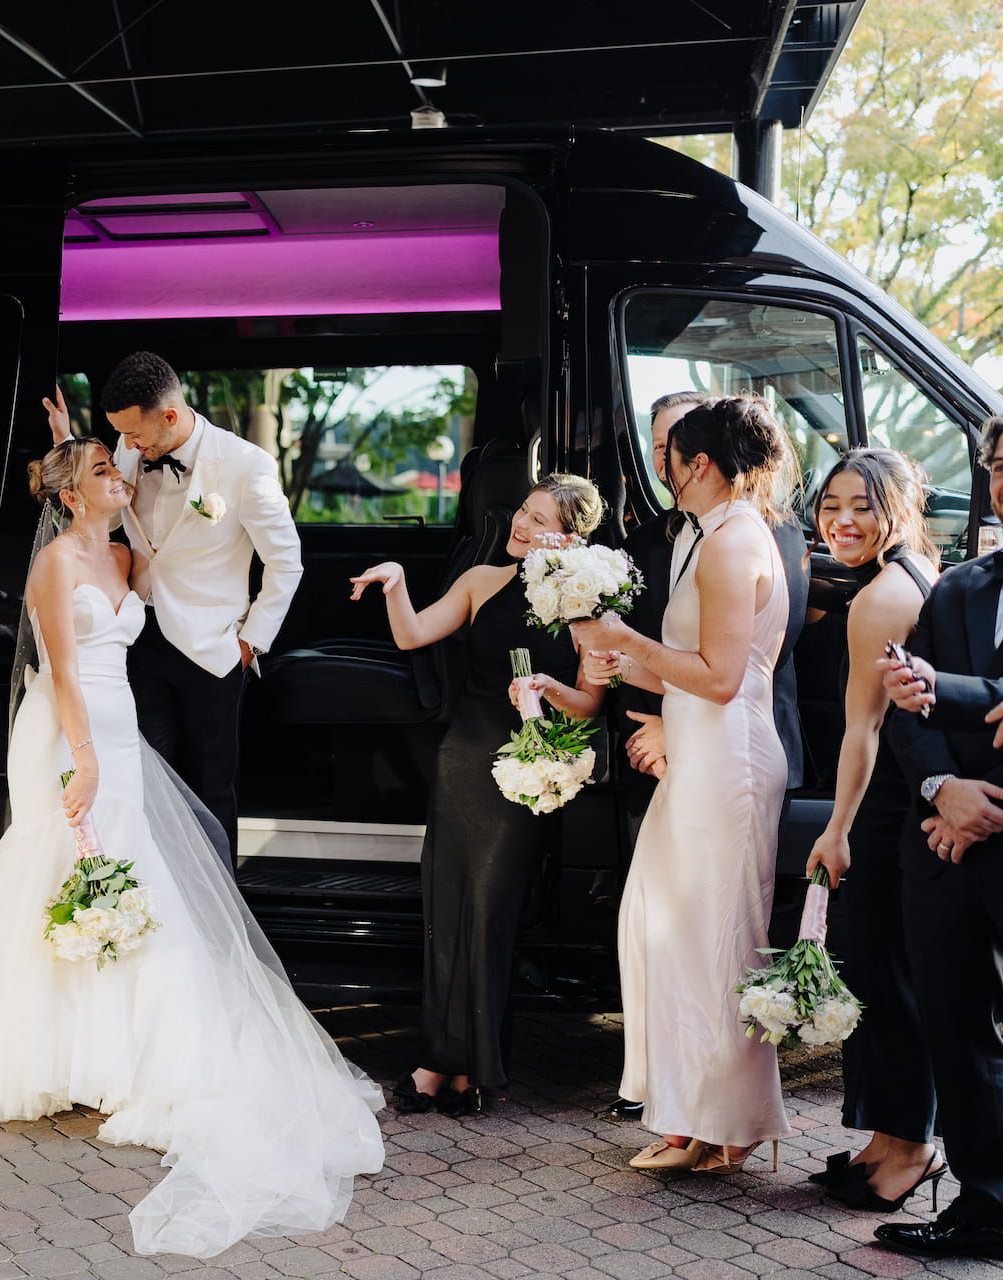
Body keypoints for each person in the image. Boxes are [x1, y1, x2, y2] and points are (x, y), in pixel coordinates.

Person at [0, 436, 383, 1259]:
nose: (120, 477)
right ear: (69, 494)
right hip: (65, 731)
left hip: (122, 735)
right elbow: (60, 672)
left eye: (118, 467)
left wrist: (239, 631)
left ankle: (114, 1053)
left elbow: (188, 573)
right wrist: (81, 761)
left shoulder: (126, 554)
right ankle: (41, 1046)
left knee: (128, 875)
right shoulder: (53, 565)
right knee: (60, 867)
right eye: (102, 471)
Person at [572, 396, 795, 1174]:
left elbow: (723, 677)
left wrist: (631, 638)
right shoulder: (701, 538)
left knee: (720, 943)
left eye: (669, 453)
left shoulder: (736, 544)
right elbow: (683, 670)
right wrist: (614, 659)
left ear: (698, 464)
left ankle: (730, 1127)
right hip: (696, 758)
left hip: (728, 763)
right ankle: (691, 1113)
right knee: (661, 926)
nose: (659, 463)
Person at [350, 476, 604, 1115]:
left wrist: (547, 689)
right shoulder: (481, 581)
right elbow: (411, 636)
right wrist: (397, 580)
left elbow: (590, 703)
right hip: (464, 755)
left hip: (528, 765)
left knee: (490, 911)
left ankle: (472, 1066)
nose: (521, 524)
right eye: (523, 509)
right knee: (447, 905)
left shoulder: (586, 606)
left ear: (571, 538)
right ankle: (439, 1062)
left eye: (540, 519)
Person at [871, 407, 1003, 1262]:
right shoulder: (961, 585)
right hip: (941, 842)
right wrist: (941, 789)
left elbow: (1000, 692)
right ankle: (987, 1206)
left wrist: (985, 805)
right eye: (1001, 465)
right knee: (956, 1027)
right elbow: (906, 702)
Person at [43, 354, 302, 862]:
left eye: (136, 437)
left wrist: (249, 642)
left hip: (213, 650)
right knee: (143, 779)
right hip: (137, 642)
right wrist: (64, 447)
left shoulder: (247, 466)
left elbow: (286, 563)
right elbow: (104, 515)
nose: (130, 449)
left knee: (211, 786)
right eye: (123, 437)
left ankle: (217, 911)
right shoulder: (130, 444)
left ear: (169, 415)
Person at [798, 450, 944, 1210]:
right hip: (904, 803)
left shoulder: (882, 597)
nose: (842, 521)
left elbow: (865, 730)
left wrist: (838, 830)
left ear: (901, 506)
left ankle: (911, 1149)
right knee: (886, 975)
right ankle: (886, 1138)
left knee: (884, 977)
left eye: (862, 505)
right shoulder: (920, 567)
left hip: (888, 809)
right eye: (830, 506)